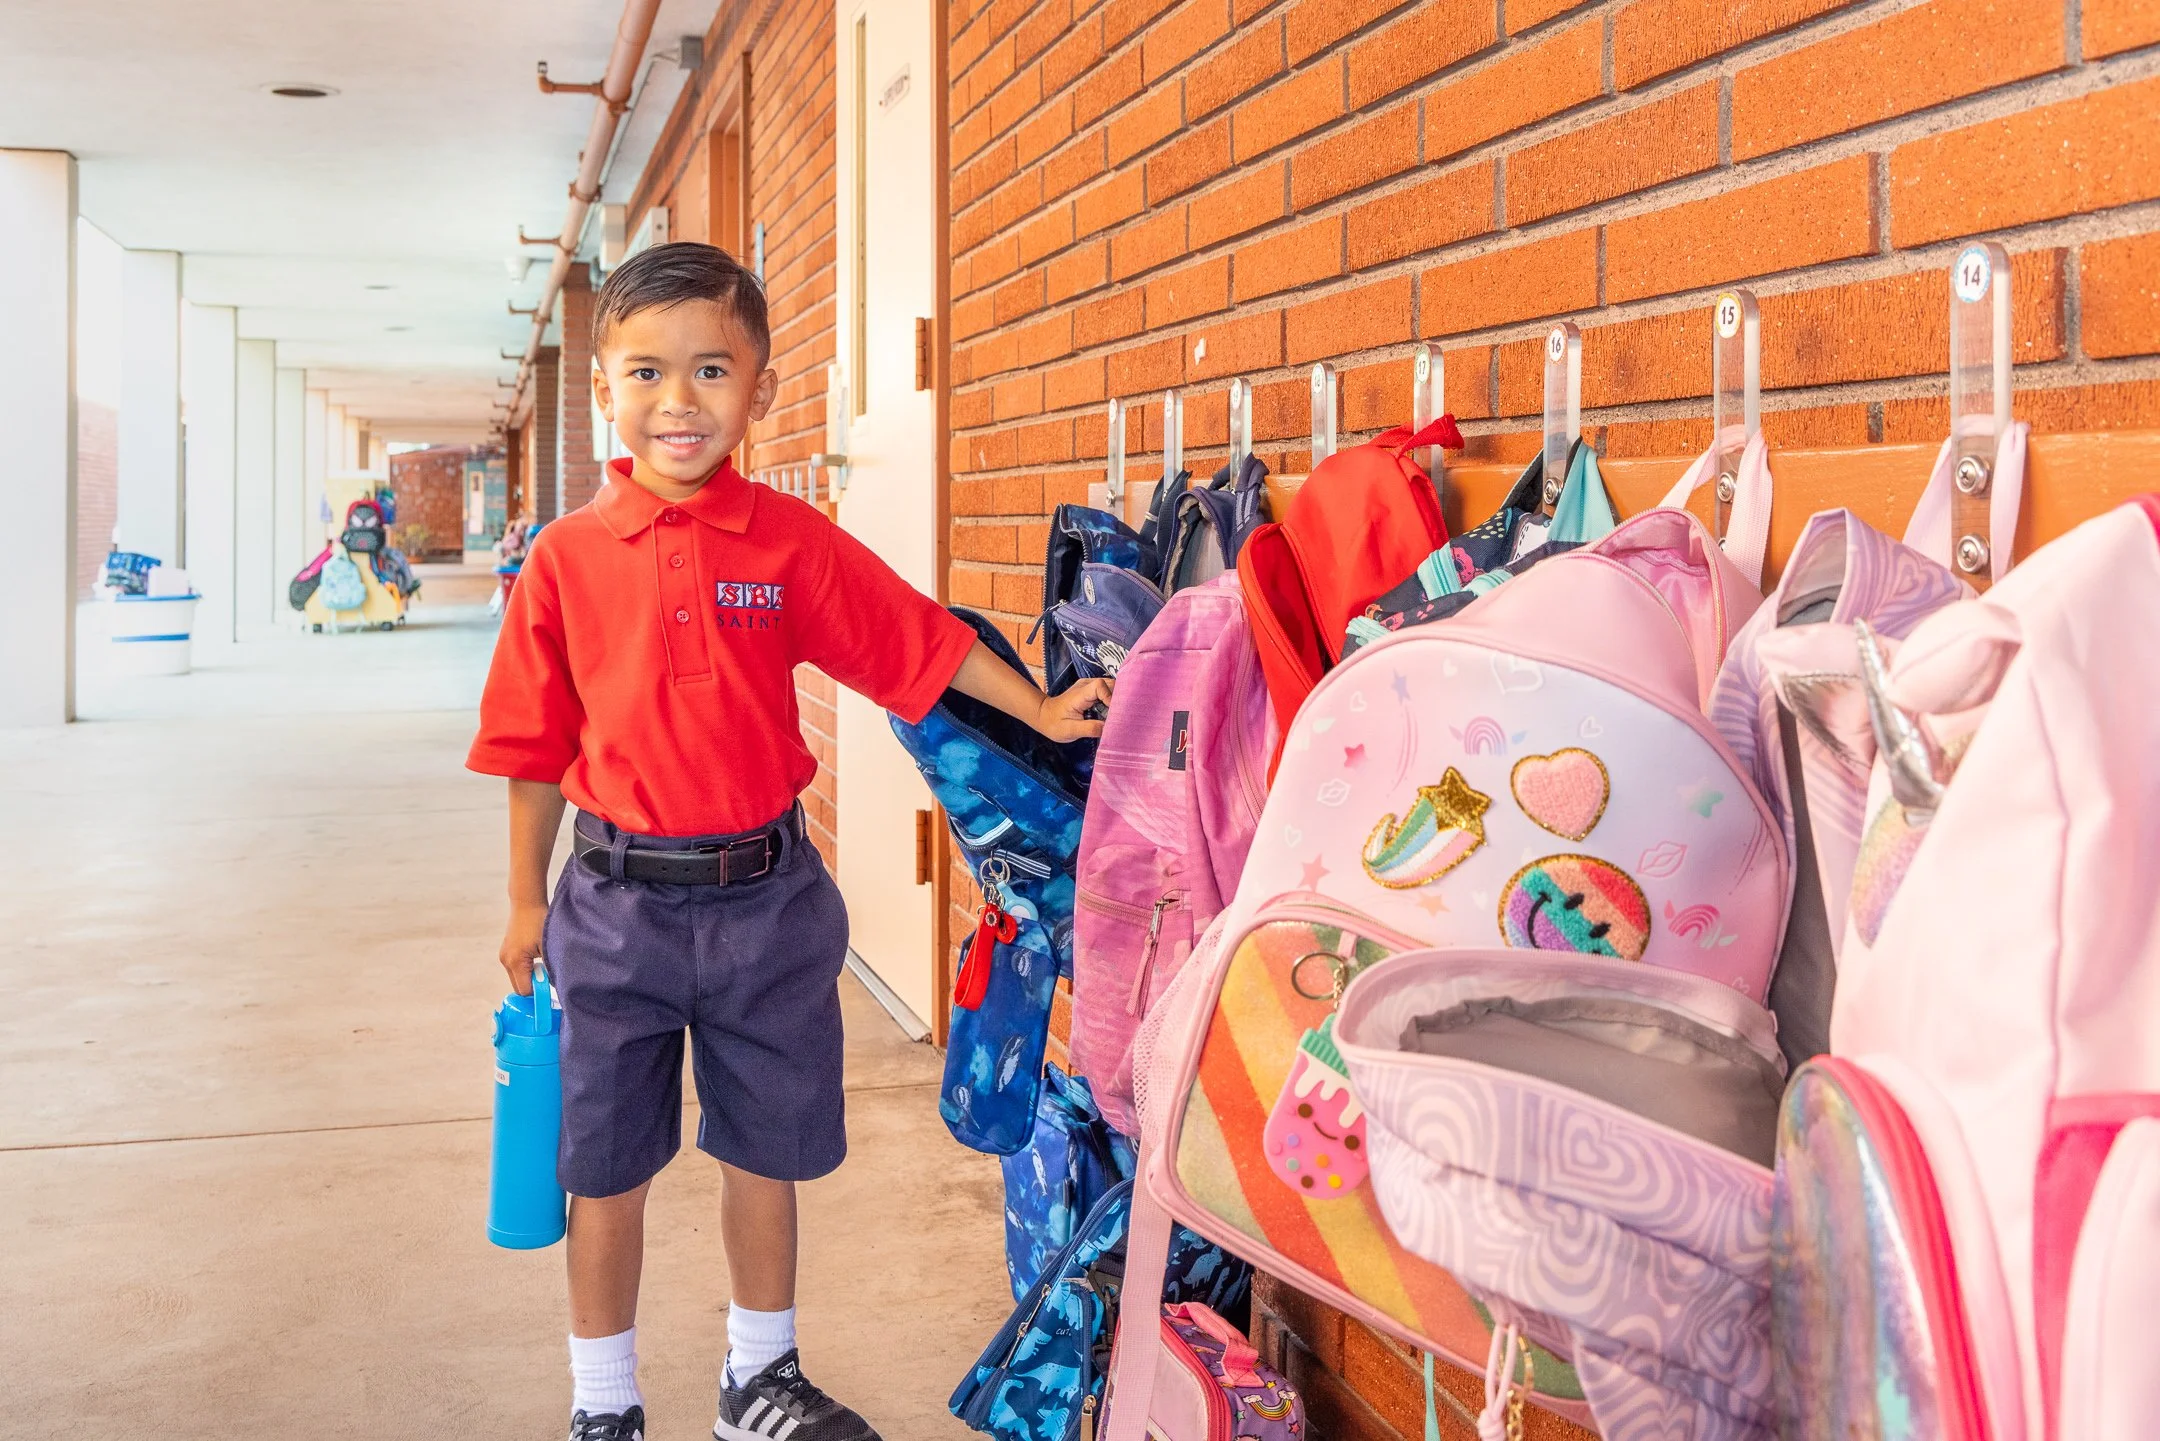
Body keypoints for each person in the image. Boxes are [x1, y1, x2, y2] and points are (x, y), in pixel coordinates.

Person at [467, 241, 1108, 1441]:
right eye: (648, 372)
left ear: (759, 388)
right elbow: (529, 751)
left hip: (769, 902)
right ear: (604, 385)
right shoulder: (561, 562)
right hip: (614, 908)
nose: (679, 401)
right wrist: (520, 902)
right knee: (603, 1164)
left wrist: (1036, 709)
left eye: (713, 369)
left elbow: (912, 634)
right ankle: (603, 1401)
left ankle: (759, 1376)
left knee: (769, 1146)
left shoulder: (788, 542)